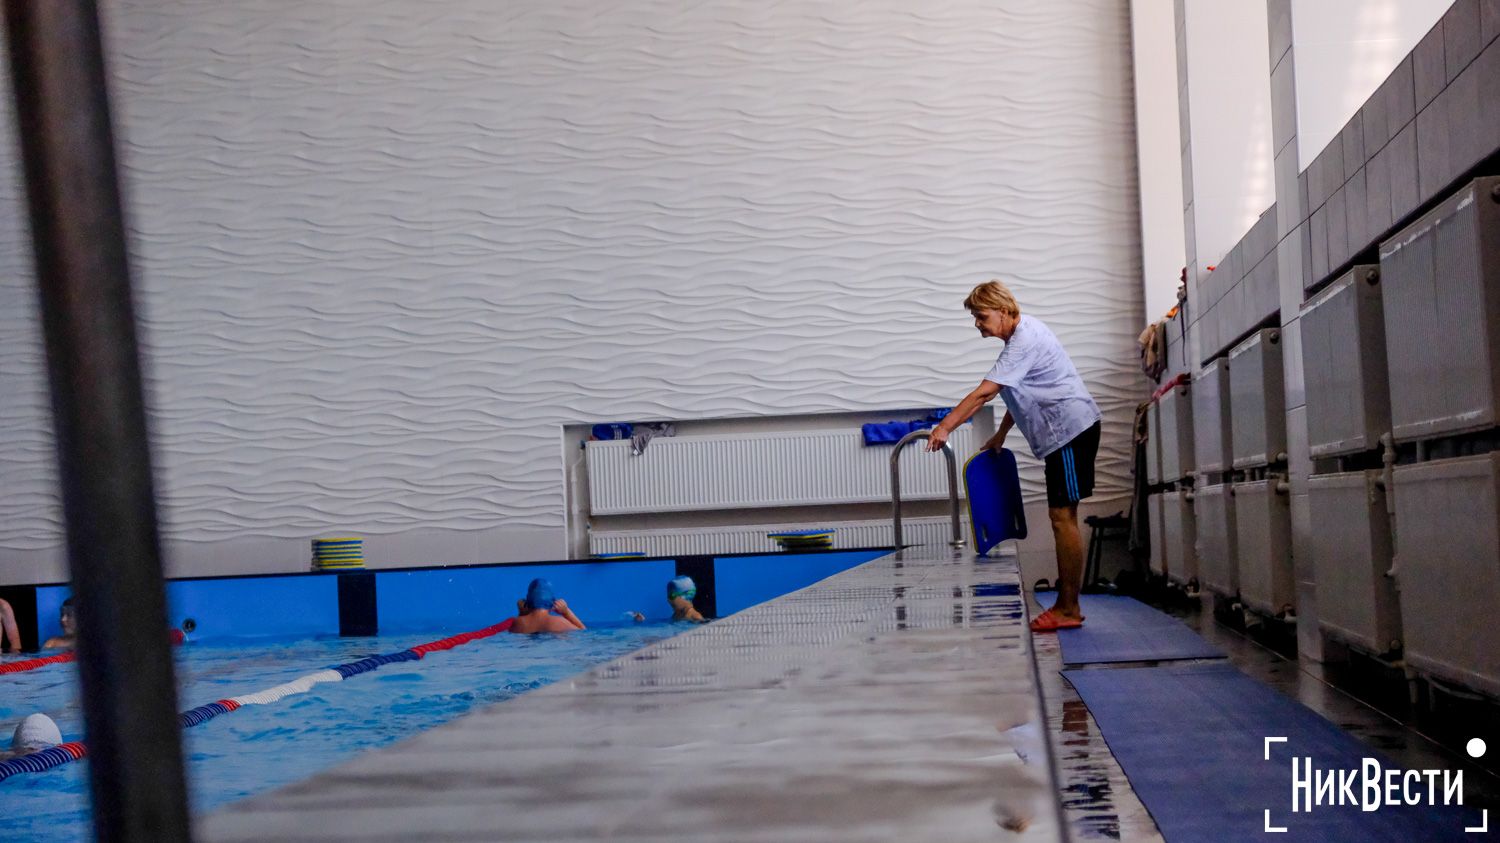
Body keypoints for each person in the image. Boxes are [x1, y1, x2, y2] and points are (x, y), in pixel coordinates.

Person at [927, 280, 1102, 632]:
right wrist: (1002, 434)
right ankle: (1068, 605)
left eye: (981, 315)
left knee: (1062, 516)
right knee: (1061, 515)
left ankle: (1068, 607)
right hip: (1067, 432)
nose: (977, 323)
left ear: (1004, 311)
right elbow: (1018, 390)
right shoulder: (1021, 336)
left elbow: (985, 393)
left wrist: (944, 426)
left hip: (1069, 430)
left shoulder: (1023, 340)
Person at [506, 579, 586, 633]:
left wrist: (522, 614)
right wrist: (567, 612)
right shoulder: (560, 623)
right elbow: (583, 632)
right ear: (553, 601)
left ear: (528, 600)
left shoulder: (517, 623)